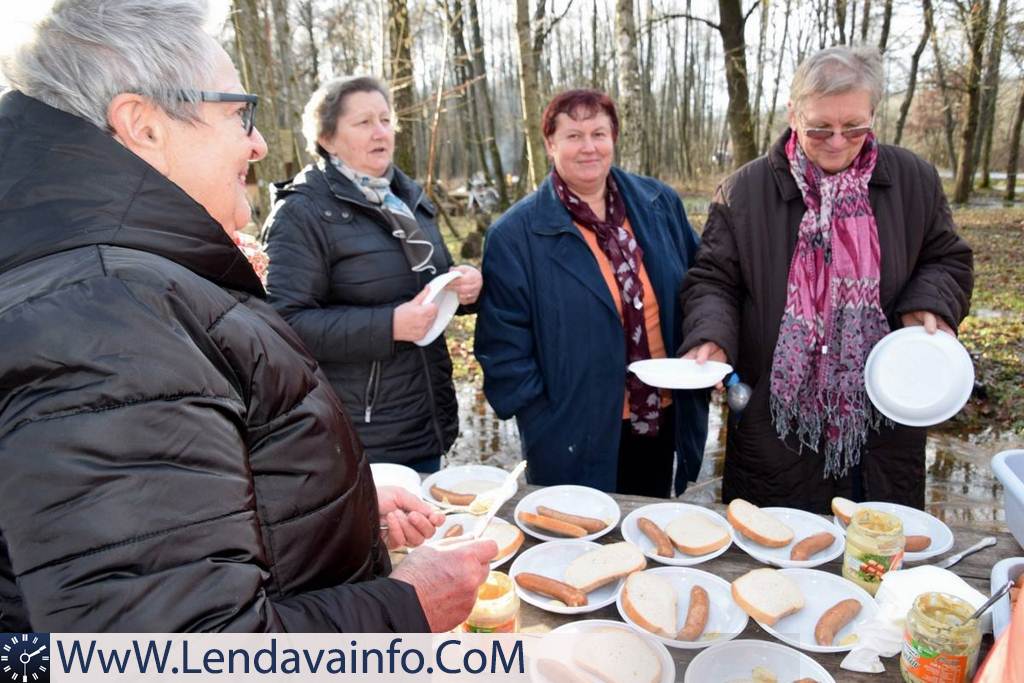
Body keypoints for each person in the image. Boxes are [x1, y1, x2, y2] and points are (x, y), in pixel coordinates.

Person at [0, 0, 495, 632]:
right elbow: (174, 654)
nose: (258, 144)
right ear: (143, 126)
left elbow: (191, 510)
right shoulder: (107, 315)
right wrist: (406, 607)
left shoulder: (121, 288)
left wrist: (336, 510)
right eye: (239, 113)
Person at [680, 46, 973, 513]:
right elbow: (713, 281)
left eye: (854, 127)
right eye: (820, 128)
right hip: (776, 426)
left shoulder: (914, 180)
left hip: (885, 419)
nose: (837, 141)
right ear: (793, 114)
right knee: (777, 546)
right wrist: (711, 336)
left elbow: (945, 258)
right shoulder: (744, 192)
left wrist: (930, 301)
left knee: (875, 543)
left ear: (873, 115)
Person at [474, 89, 709, 497]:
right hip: (571, 431)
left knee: (644, 522)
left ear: (613, 138)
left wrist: (707, 340)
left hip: (659, 416)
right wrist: (543, 417)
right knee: (577, 529)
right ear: (550, 144)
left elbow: (701, 283)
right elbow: (502, 346)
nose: (589, 147)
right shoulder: (515, 236)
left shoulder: (659, 205)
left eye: (598, 134)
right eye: (573, 136)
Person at [262, 77, 481, 474]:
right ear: (327, 138)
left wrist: (464, 286)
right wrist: (389, 325)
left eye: (385, 119)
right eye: (363, 122)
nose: (381, 132)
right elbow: (283, 324)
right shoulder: (301, 212)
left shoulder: (407, 198)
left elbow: (429, 284)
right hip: (354, 436)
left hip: (422, 420)